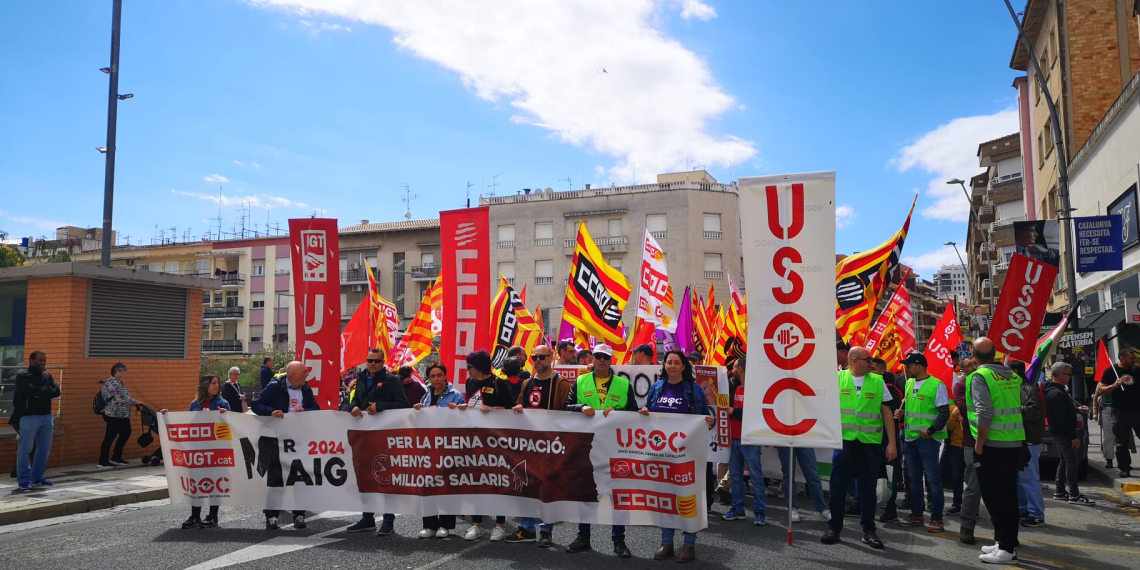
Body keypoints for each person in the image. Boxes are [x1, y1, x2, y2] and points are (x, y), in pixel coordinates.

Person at [562, 344, 639, 557]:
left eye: (606, 357)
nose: (602, 360)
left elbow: (633, 411)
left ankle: (619, 541)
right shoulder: (580, 381)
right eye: (598, 356)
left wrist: (618, 412)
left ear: (611, 360)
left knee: (617, 496)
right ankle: (583, 537)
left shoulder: (624, 384)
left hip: (615, 449)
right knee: (586, 495)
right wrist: (580, 407)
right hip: (587, 450)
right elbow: (565, 407)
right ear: (592, 360)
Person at [640, 349, 715, 564]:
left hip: (687, 454)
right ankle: (667, 542)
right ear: (664, 366)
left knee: (687, 497)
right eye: (669, 362)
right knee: (665, 496)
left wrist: (708, 421)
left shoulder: (693, 389)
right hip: (661, 452)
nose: (672, 366)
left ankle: (689, 544)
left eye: (676, 363)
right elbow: (649, 414)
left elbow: (706, 417)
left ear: (684, 366)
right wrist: (645, 411)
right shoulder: (656, 388)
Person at [821, 346, 897, 550]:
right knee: (837, 488)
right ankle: (834, 528)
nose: (872, 363)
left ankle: (868, 530)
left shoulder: (878, 381)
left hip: (869, 445)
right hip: (843, 442)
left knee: (868, 490)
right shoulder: (837, 378)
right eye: (868, 359)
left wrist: (891, 443)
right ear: (854, 360)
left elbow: (887, 413)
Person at [507, 344, 575, 548]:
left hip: (552, 446)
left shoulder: (561, 383)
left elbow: (568, 412)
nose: (538, 361)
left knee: (549, 489)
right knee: (528, 486)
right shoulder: (527, 383)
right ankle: (527, 528)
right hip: (530, 446)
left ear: (551, 358)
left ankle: (546, 530)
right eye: (534, 357)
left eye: (542, 357)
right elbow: (521, 405)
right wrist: (518, 407)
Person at [966, 337, 1025, 564]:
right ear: (994, 353)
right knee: (1008, 495)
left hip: (992, 444)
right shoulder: (1011, 375)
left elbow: (985, 411)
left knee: (995, 498)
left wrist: (980, 443)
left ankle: (1007, 550)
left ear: (974, 354)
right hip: (1012, 442)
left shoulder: (980, 377)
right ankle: (1003, 541)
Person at [345, 349, 408, 535]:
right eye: (370, 360)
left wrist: (380, 406)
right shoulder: (361, 379)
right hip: (365, 435)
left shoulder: (392, 380)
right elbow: (353, 401)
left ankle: (388, 520)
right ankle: (367, 518)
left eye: (377, 361)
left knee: (385, 476)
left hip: (385, 436)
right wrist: (353, 407)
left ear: (382, 362)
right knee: (365, 476)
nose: (373, 363)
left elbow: (403, 404)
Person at [251, 361, 319, 531]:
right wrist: (271, 412)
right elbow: (256, 404)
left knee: (300, 477)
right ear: (293, 375)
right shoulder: (274, 386)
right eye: (304, 372)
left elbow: (315, 408)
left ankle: (299, 514)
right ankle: (272, 516)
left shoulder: (306, 389)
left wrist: (306, 411)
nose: (307, 375)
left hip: (298, 440)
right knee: (276, 478)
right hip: (276, 439)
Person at [161, 375, 231, 529]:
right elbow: (187, 424)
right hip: (197, 452)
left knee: (215, 483)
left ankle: (213, 515)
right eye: (213, 383)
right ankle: (195, 515)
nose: (216, 386)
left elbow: (229, 427)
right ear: (205, 385)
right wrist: (167, 417)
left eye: (218, 383)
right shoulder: (195, 404)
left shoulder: (223, 403)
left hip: (216, 452)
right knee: (196, 484)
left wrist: (225, 416)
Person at [462, 350, 516, 541]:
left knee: (497, 482)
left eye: (470, 367)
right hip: (475, 441)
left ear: (480, 367)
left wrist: (493, 410)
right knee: (476, 483)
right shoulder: (470, 383)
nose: (467, 370)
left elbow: (511, 410)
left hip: (496, 442)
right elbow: (470, 405)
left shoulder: (498, 383)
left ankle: (499, 525)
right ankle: (476, 524)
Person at [894, 352, 949, 533]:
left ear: (919, 366)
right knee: (914, 479)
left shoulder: (936, 385)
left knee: (933, 479)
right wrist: (901, 413)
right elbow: (912, 409)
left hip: (928, 440)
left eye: (909, 365)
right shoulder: (909, 383)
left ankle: (936, 518)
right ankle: (917, 515)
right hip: (910, 439)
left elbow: (944, 413)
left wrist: (931, 430)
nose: (906, 368)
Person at [413, 363, 465, 539]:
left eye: (439, 375)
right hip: (428, 449)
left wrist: (457, 411)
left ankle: (445, 524)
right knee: (428, 485)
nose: (436, 379)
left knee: (446, 486)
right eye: (433, 376)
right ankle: (429, 525)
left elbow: (466, 419)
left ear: (445, 376)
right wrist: (418, 411)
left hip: (448, 448)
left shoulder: (456, 395)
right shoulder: (426, 396)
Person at [722, 356, 770, 526]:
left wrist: (733, 411)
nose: (732, 370)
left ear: (740, 369)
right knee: (736, 477)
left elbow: (753, 413)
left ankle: (759, 512)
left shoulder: (755, 389)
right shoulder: (734, 386)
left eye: (734, 367)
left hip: (750, 439)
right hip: (735, 439)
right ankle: (738, 509)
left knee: (756, 478)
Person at [1044, 362, 1095, 506]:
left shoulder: (1058, 391)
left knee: (1064, 461)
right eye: (1068, 375)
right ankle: (1074, 493)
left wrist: (1077, 410)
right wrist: (1073, 436)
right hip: (1063, 433)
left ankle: (1059, 490)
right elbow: (1062, 417)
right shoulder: (1056, 393)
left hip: (1060, 432)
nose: (1070, 378)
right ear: (1061, 375)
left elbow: (1065, 411)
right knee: (1072, 461)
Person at [13, 351, 59, 491]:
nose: (42, 363)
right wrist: (45, 392)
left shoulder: (47, 376)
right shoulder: (22, 376)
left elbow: (57, 391)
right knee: (25, 448)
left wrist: (40, 393)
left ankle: (37, 476)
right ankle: (24, 479)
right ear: (31, 360)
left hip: (46, 416)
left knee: (44, 448)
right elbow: (29, 392)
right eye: (39, 360)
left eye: (44, 360)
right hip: (28, 416)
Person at [953, 357, 984, 545]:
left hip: (996, 441)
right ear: (962, 370)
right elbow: (965, 409)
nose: (973, 368)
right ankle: (966, 526)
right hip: (971, 442)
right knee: (974, 486)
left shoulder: (989, 380)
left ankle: (1005, 532)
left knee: (999, 488)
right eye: (969, 366)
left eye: (975, 364)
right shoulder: (961, 386)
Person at [870, 357, 905, 522]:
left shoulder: (890, 391)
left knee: (889, 476)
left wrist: (891, 442)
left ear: (882, 371)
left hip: (888, 440)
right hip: (874, 439)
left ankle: (890, 509)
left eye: (873, 369)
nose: (870, 373)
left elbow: (892, 416)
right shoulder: (872, 386)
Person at [1014, 359, 1047, 527]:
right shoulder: (1018, 389)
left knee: (1029, 478)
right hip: (1020, 440)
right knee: (1019, 478)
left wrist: (1014, 409)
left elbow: (1033, 412)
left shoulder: (1028, 390)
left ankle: (1036, 514)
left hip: (1030, 440)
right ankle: (1023, 508)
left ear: (1016, 372)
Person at [1099, 348, 1140, 478]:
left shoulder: (1137, 371)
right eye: (1131, 358)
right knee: (1121, 441)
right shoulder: (1111, 371)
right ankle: (1124, 467)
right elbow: (1101, 390)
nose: (1134, 361)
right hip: (1120, 411)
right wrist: (1114, 386)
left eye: (1134, 358)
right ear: (1122, 359)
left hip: (1137, 410)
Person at [99, 363, 137, 468]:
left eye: (124, 370)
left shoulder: (119, 383)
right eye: (120, 370)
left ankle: (116, 457)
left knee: (126, 433)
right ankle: (102, 461)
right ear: (114, 372)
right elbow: (121, 398)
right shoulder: (111, 383)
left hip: (122, 415)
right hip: (113, 414)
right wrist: (136, 402)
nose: (123, 372)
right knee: (110, 437)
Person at [1095, 389, 1116, 469]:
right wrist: (1095, 412)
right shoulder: (1103, 382)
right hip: (1106, 408)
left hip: (1121, 409)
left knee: (1122, 437)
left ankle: (1124, 463)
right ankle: (1109, 459)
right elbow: (1096, 395)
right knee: (1108, 437)